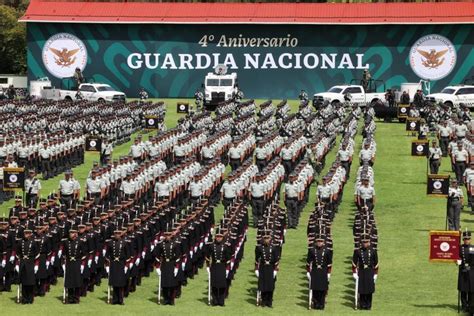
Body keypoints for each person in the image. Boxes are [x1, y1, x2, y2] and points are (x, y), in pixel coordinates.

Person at [352, 234, 378, 310]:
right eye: (363, 242)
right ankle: (362, 305)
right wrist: (354, 272)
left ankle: (368, 305)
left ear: (369, 242)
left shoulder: (373, 251)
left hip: (370, 272)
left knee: (369, 289)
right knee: (362, 289)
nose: (365, 243)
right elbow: (354, 263)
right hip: (362, 272)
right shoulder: (357, 251)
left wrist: (376, 274)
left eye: (366, 242)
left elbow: (376, 263)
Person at [205, 230, 231, 307]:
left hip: (222, 266)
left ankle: (221, 301)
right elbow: (207, 257)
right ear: (215, 237)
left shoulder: (226, 246)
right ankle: (215, 301)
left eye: (220, 237)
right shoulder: (211, 246)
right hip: (214, 266)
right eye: (217, 236)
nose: (218, 238)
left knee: (222, 285)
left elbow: (228, 258)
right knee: (214, 284)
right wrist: (207, 266)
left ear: (222, 237)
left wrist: (227, 268)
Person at [307, 235, 333, 310]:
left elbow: (329, 263)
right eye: (318, 241)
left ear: (324, 242)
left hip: (323, 271)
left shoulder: (327, 251)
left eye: (321, 241)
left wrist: (328, 273)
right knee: (315, 288)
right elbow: (308, 262)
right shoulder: (312, 250)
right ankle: (315, 303)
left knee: (322, 289)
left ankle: (321, 304)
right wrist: (308, 272)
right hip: (315, 271)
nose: (319, 243)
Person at [155, 231, 181, 305]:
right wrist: (157, 267)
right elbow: (157, 257)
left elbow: (178, 257)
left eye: (169, 235)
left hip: (172, 264)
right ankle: (166, 299)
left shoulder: (175, 244)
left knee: (172, 284)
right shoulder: (160, 244)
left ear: (171, 235)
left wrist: (176, 267)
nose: (167, 236)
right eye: (166, 235)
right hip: (164, 265)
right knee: (165, 284)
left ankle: (171, 300)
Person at [255, 234, 280, 308]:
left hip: (271, 268)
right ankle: (263, 301)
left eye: (268, 238)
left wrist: (275, 270)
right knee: (263, 285)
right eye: (265, 238)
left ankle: (269, 302)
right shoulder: (259, 248)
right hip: (263, 267)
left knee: (270, 285)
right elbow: (257, 259)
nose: (266, 240)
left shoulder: (274, 248)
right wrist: (256, 269)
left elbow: (276, 260)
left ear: (270, 238)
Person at [106, 230, 130, 305]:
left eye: (118, 233)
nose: (117, 235)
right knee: (114, 282)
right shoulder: (110, 243)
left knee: (121, 283)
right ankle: (114, 299)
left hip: (121, 264)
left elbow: (128, 255)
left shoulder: (124, 243)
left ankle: (121, 299)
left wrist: (126, 265)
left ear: (121, 234)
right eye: (116, 233)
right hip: (113, 264)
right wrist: (107, 265)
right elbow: (107, 255)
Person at [15, 229, 39, 304]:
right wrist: (17, 264)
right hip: (22, 263)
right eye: (25, 233)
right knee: (24, 282)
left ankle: (30, 298)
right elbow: (17, 254)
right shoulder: (20, 242)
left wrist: (36, 265)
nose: (26, 234)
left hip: (31, 263)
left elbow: (37, 255)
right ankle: (24, 299)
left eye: (28, 233)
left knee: (30, 282)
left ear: (31, 234)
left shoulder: (34, 242)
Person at [63, 229, 85, 304]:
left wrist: (82, 263)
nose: (72, 234)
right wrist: (63, 263)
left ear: (76, 233)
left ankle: (76, 298)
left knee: (77, 281)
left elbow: (84, 253)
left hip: (77, 263)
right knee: (69, 281)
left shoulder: (80, 241)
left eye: (74, 233)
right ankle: (70, 298)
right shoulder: (66, 242)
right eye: (71, 233)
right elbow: (64, 253)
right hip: (69, 263)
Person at [457, 230, 474, 312]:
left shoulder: (473, 248)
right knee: (463, 290)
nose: (466, 240)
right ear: (463, 239)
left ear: (470, 239)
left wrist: (470, 266)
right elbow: (457, 257)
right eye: (465, 239)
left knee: (471, 290)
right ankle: (464, 306)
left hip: (471, 271)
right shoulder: (460, 248)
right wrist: (458, 261)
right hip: (463, 271)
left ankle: (470, 306)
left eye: (468, 239)